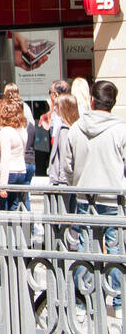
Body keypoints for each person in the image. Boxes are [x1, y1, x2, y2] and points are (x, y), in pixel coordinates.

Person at [69, 78, 125, 309]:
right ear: (112, 103)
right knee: (115, 249)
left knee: (85, 248)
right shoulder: (121, 129)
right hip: (112, 197)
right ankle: (119, 301)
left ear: (92, 101)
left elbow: (68, 164)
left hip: (84, 196)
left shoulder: (76, 128)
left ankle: (83, 301)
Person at [0, 97, 28, 211]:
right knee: (14, 207)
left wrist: (2, 186)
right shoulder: (21, 130)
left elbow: (6, 159)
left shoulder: (6, 132)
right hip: (20, 171)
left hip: (8, 173)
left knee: (2, 209)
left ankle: (3, 229)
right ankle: (14, 228)